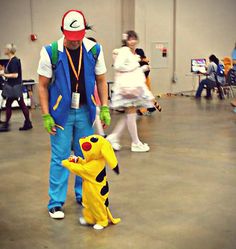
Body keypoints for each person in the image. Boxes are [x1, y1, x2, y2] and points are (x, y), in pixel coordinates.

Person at [37, 10, 110, 219]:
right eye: (71, 38)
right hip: (61, 114)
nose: (75, 42)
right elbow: (42, 86)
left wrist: (104, 107)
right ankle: (56, 202)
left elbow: (101, 80)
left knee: (85, 155)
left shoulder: (94, 50)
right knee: (60, 157)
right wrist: (45, 115)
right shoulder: (50, 51)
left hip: (86, 111)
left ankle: (83, 194)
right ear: (63, 31)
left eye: (79, 37)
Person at [107, 31, 154, 152]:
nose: (132, 41)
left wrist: (142, 68)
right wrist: (135, 67)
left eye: (134, 39)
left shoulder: (132, 53)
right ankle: (135, 142)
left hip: (130, 87)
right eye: (130, 39)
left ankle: (114, 137)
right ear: (126, 41)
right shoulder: (124, 51)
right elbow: (118, 66)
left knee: (130, 114)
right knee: (131, 113)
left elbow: (130, 69)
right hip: (127, 88)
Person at [0, 44, 32, 132]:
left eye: (6, 48)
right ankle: (27, 123)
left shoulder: (14, 61)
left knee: (15, 105)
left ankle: (7, 125)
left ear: (10, 50)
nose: (5, 49)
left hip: (14, 87)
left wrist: (3, 74)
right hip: (14, 86)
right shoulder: (11, 60)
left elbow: (15, 75)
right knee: (16, 104)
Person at [135, 48, 162, 115]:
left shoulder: (143, 62)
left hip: (144, 81)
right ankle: (151, 108)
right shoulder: (141, 61)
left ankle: (143, 110)